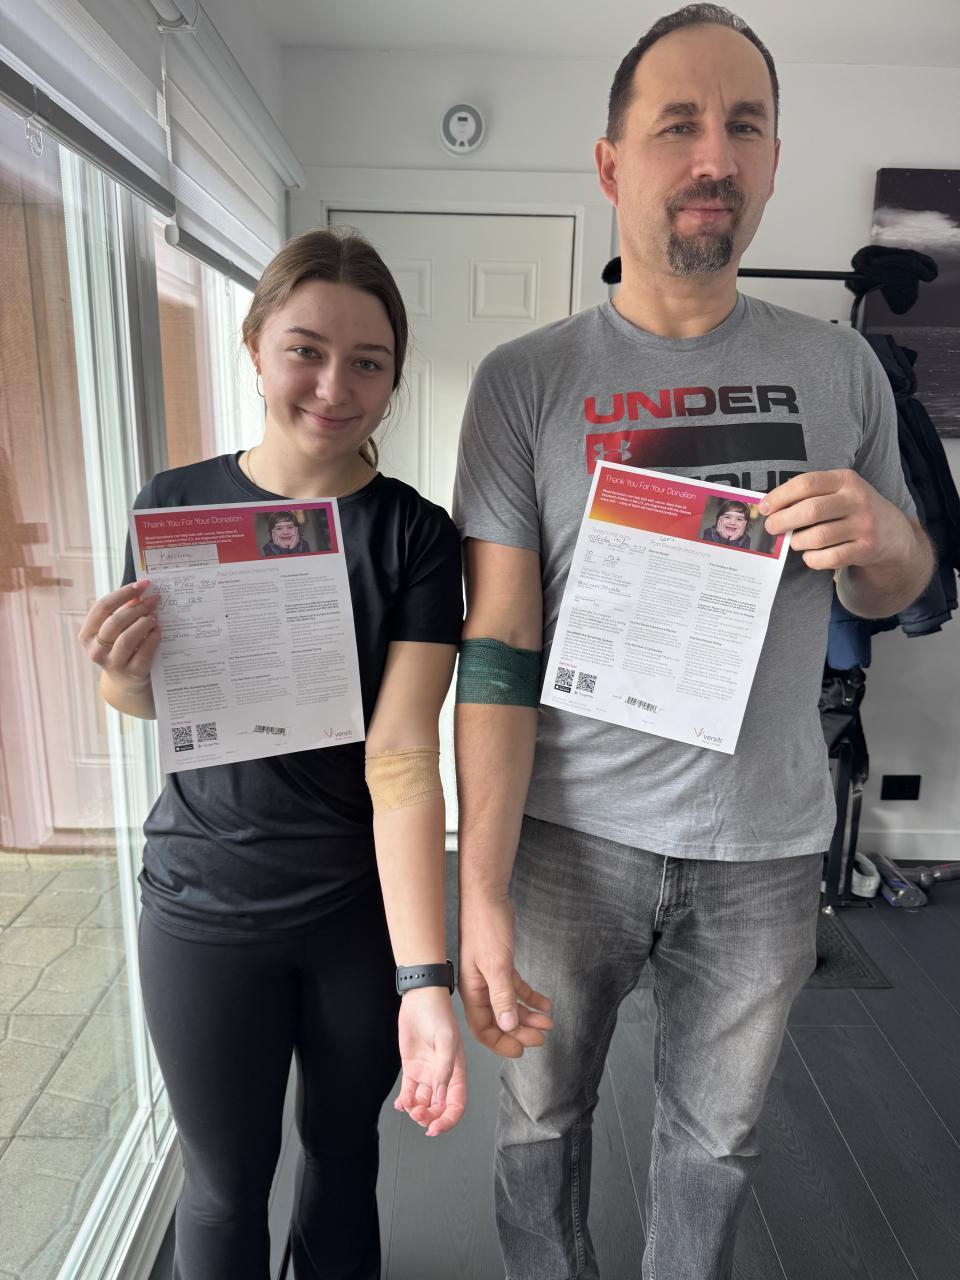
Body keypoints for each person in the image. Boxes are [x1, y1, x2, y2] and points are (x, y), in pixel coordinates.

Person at [452, 7, 933, 1279]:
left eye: (744, 126)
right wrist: (479, 891)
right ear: (612, 163)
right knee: (539, 1121)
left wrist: (886, 533)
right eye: (679, 125)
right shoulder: (524, 381)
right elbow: (497, 646)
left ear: (772, 162)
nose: (714, 154)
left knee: (714, 1146)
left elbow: (899, 587)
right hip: (569, 839)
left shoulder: (844, 370)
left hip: (763, 846)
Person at [78, 228, 466, 1280]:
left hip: (354, 912)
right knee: (222, 1184)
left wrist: (425, 978)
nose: (335, 387)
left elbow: (402, 758)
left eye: (368, 361)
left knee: (343, 1154)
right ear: (254, 347)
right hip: (203, 905)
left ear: (394, 376)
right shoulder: (173, 506)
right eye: (306, 350)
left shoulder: (416, 536)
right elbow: (141, 703)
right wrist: (120, 668)